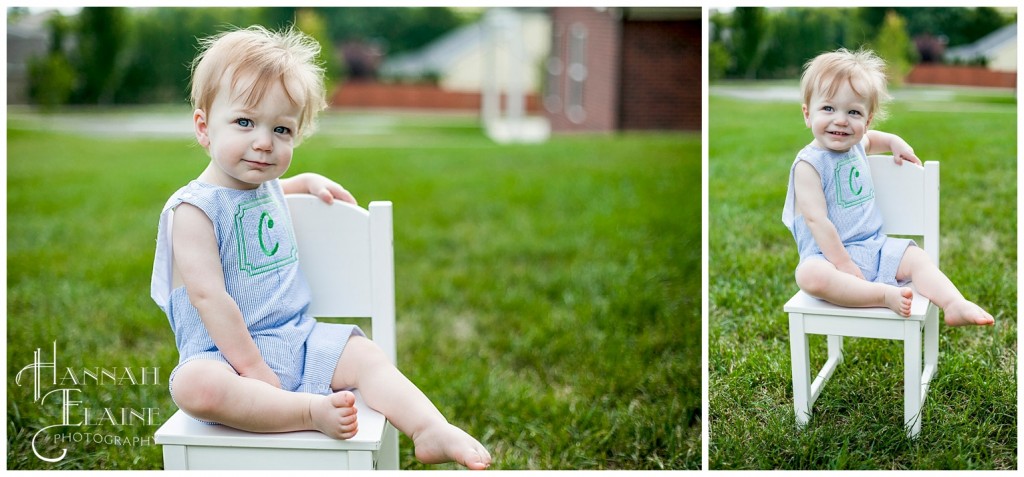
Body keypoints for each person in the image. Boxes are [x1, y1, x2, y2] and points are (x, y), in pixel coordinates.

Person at [150, 25, 492, 469]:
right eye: (244, 122)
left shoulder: (268, 185)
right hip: (226, 359)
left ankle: (429, 428)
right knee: (194, 388)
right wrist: (253, 370)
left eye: (282, 129)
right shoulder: (192, 211)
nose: (263, 142)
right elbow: (208, 297)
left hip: (297, 339)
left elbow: (264, 197)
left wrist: (303, 182)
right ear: (203, 127)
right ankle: (308, 413)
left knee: (367, 356)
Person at [781, 48, 993, 327]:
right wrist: (843, 264)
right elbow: (816, 220)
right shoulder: (809, 165)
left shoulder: (856, 144)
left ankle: (953, 303)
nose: (841, 120)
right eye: (828, 108)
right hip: (827, 258)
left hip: (874, 247)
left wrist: (893, 141)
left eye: (853, 112)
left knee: (918, 259)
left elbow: (872, 141)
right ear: (808, 114)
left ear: (866, 122)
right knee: (809, 276)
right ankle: (882, 295)